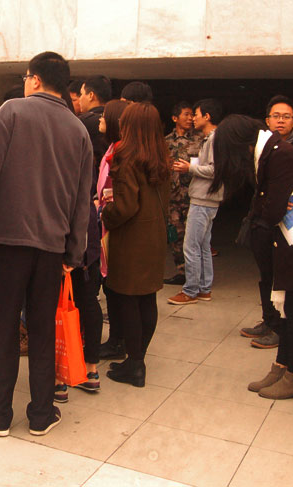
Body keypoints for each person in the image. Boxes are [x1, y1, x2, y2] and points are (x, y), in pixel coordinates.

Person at [0, 51, 92, 438]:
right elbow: (82, 202)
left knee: (1, 330)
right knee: (42, 331)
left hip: (5, 245)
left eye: (27, 77)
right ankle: (41, 415)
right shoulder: (78, 130)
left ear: (35, 79)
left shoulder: (11, 112)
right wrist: (73, 253)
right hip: (51, 251)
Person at [210, 115, 293, 400]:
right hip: (290, 243)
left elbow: (273, 209)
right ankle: (281, 367)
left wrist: (263, 213)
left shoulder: (282, 155)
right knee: (288, 312)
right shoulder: (271, 151)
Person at [241, 95, 293, 348]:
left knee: (281, 279)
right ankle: (269, 319)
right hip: (265, 223)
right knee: (266, 276)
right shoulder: (262, 151)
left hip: (288, 226)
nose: (280, 121)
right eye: (276, 116)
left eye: (286, 117)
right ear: (267, 121)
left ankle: (280, 328)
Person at [102, 103, 171, 387]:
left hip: (131, 237)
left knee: (127, 299)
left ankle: (135, 363)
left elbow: (126, 206)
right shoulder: (161, 154)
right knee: (147, 298)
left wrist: (104, 212)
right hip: (154, 234)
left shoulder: (127, 155)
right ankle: (137, 359)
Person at [54, 76, 109, 401]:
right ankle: (90, 370)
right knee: (88, 301)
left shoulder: (56, 142)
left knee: (53, 305)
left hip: (58, 232)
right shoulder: (85, 139)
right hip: (86, 229)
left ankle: (59, 377)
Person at [168, 99, 223, 305]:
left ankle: (190, 290)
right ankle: (204, 289)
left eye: (196, 114)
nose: (193, 118)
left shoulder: (214, 140)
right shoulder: (211, 139)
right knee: (202, 246)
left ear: (207, 117)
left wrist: (189, 168)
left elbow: (215, 170)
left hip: (203, 199)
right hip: (202, 197)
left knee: (191, 246)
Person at [96, 100, 132, 361]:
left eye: (103, 116)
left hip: (111, 224)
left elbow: (115, 192)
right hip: (105, 221)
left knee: (114, 285)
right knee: (110, 285)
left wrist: (101, 206)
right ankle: (117, 338)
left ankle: (119, 341)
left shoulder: (120, 152)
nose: (99, 119)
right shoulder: (111, 147)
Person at [163, 101, 202, 285]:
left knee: (193, 237)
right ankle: (182, 272)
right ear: (175, 118)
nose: (190, 118)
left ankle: (197, 276)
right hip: (172, 197)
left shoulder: (200, 139)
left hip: (192, 196)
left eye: (192, 115)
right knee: (176, 236)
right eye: (186, 114)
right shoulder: (165, 142)